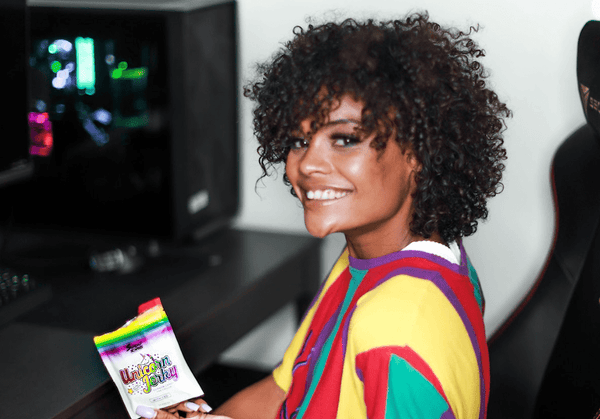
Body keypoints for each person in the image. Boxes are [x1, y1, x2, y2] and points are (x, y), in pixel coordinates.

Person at [142, 11, 510, 419]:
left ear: (419, 154)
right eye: (299, 140)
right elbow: (283, 392)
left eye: (345, 139)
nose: (306, 164)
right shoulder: (375, 259)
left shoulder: (395, 332)